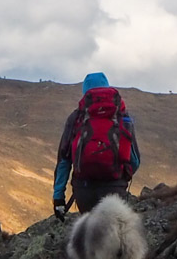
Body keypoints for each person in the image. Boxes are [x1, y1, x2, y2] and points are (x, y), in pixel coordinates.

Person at [52, 72, 141, 219]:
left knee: (91, 235)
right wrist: (121, 178)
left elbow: (64, 160)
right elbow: (135, 161)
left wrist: (58, 197)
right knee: (111, 235)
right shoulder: (122, 116)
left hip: (84, 190)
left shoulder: (76, 118)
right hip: (115, 188)